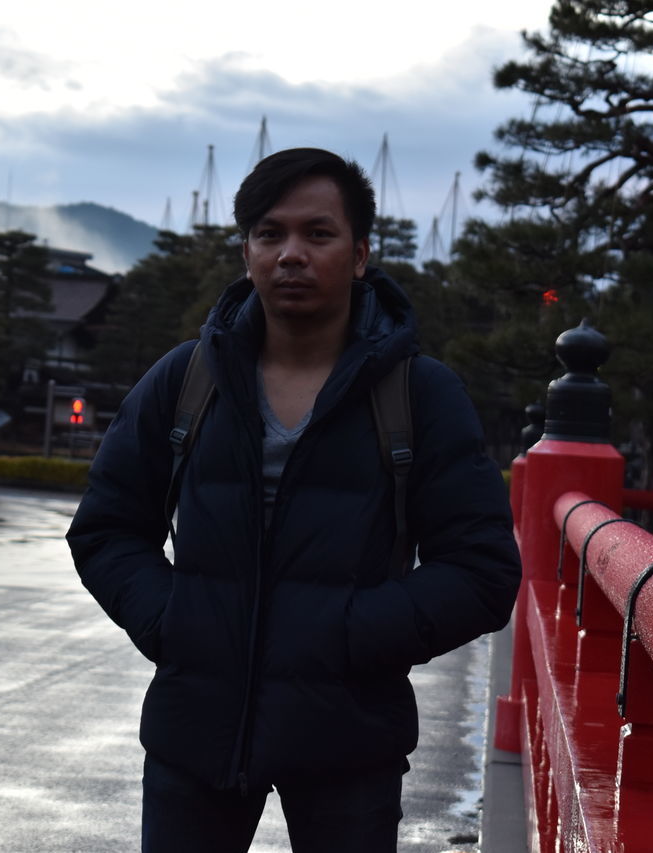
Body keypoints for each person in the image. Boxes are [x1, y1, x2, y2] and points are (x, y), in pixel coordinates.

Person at [66, 148, 521, 852]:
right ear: (245, 250)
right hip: (197, 732)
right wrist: (175, 618)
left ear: (362, 253)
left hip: (350, 737)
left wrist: (350, 634)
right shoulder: (185, 380)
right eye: (270, 234)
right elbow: (107, 529)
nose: (291, 254)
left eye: (318, 234)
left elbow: (483, 569)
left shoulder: (420, 395)